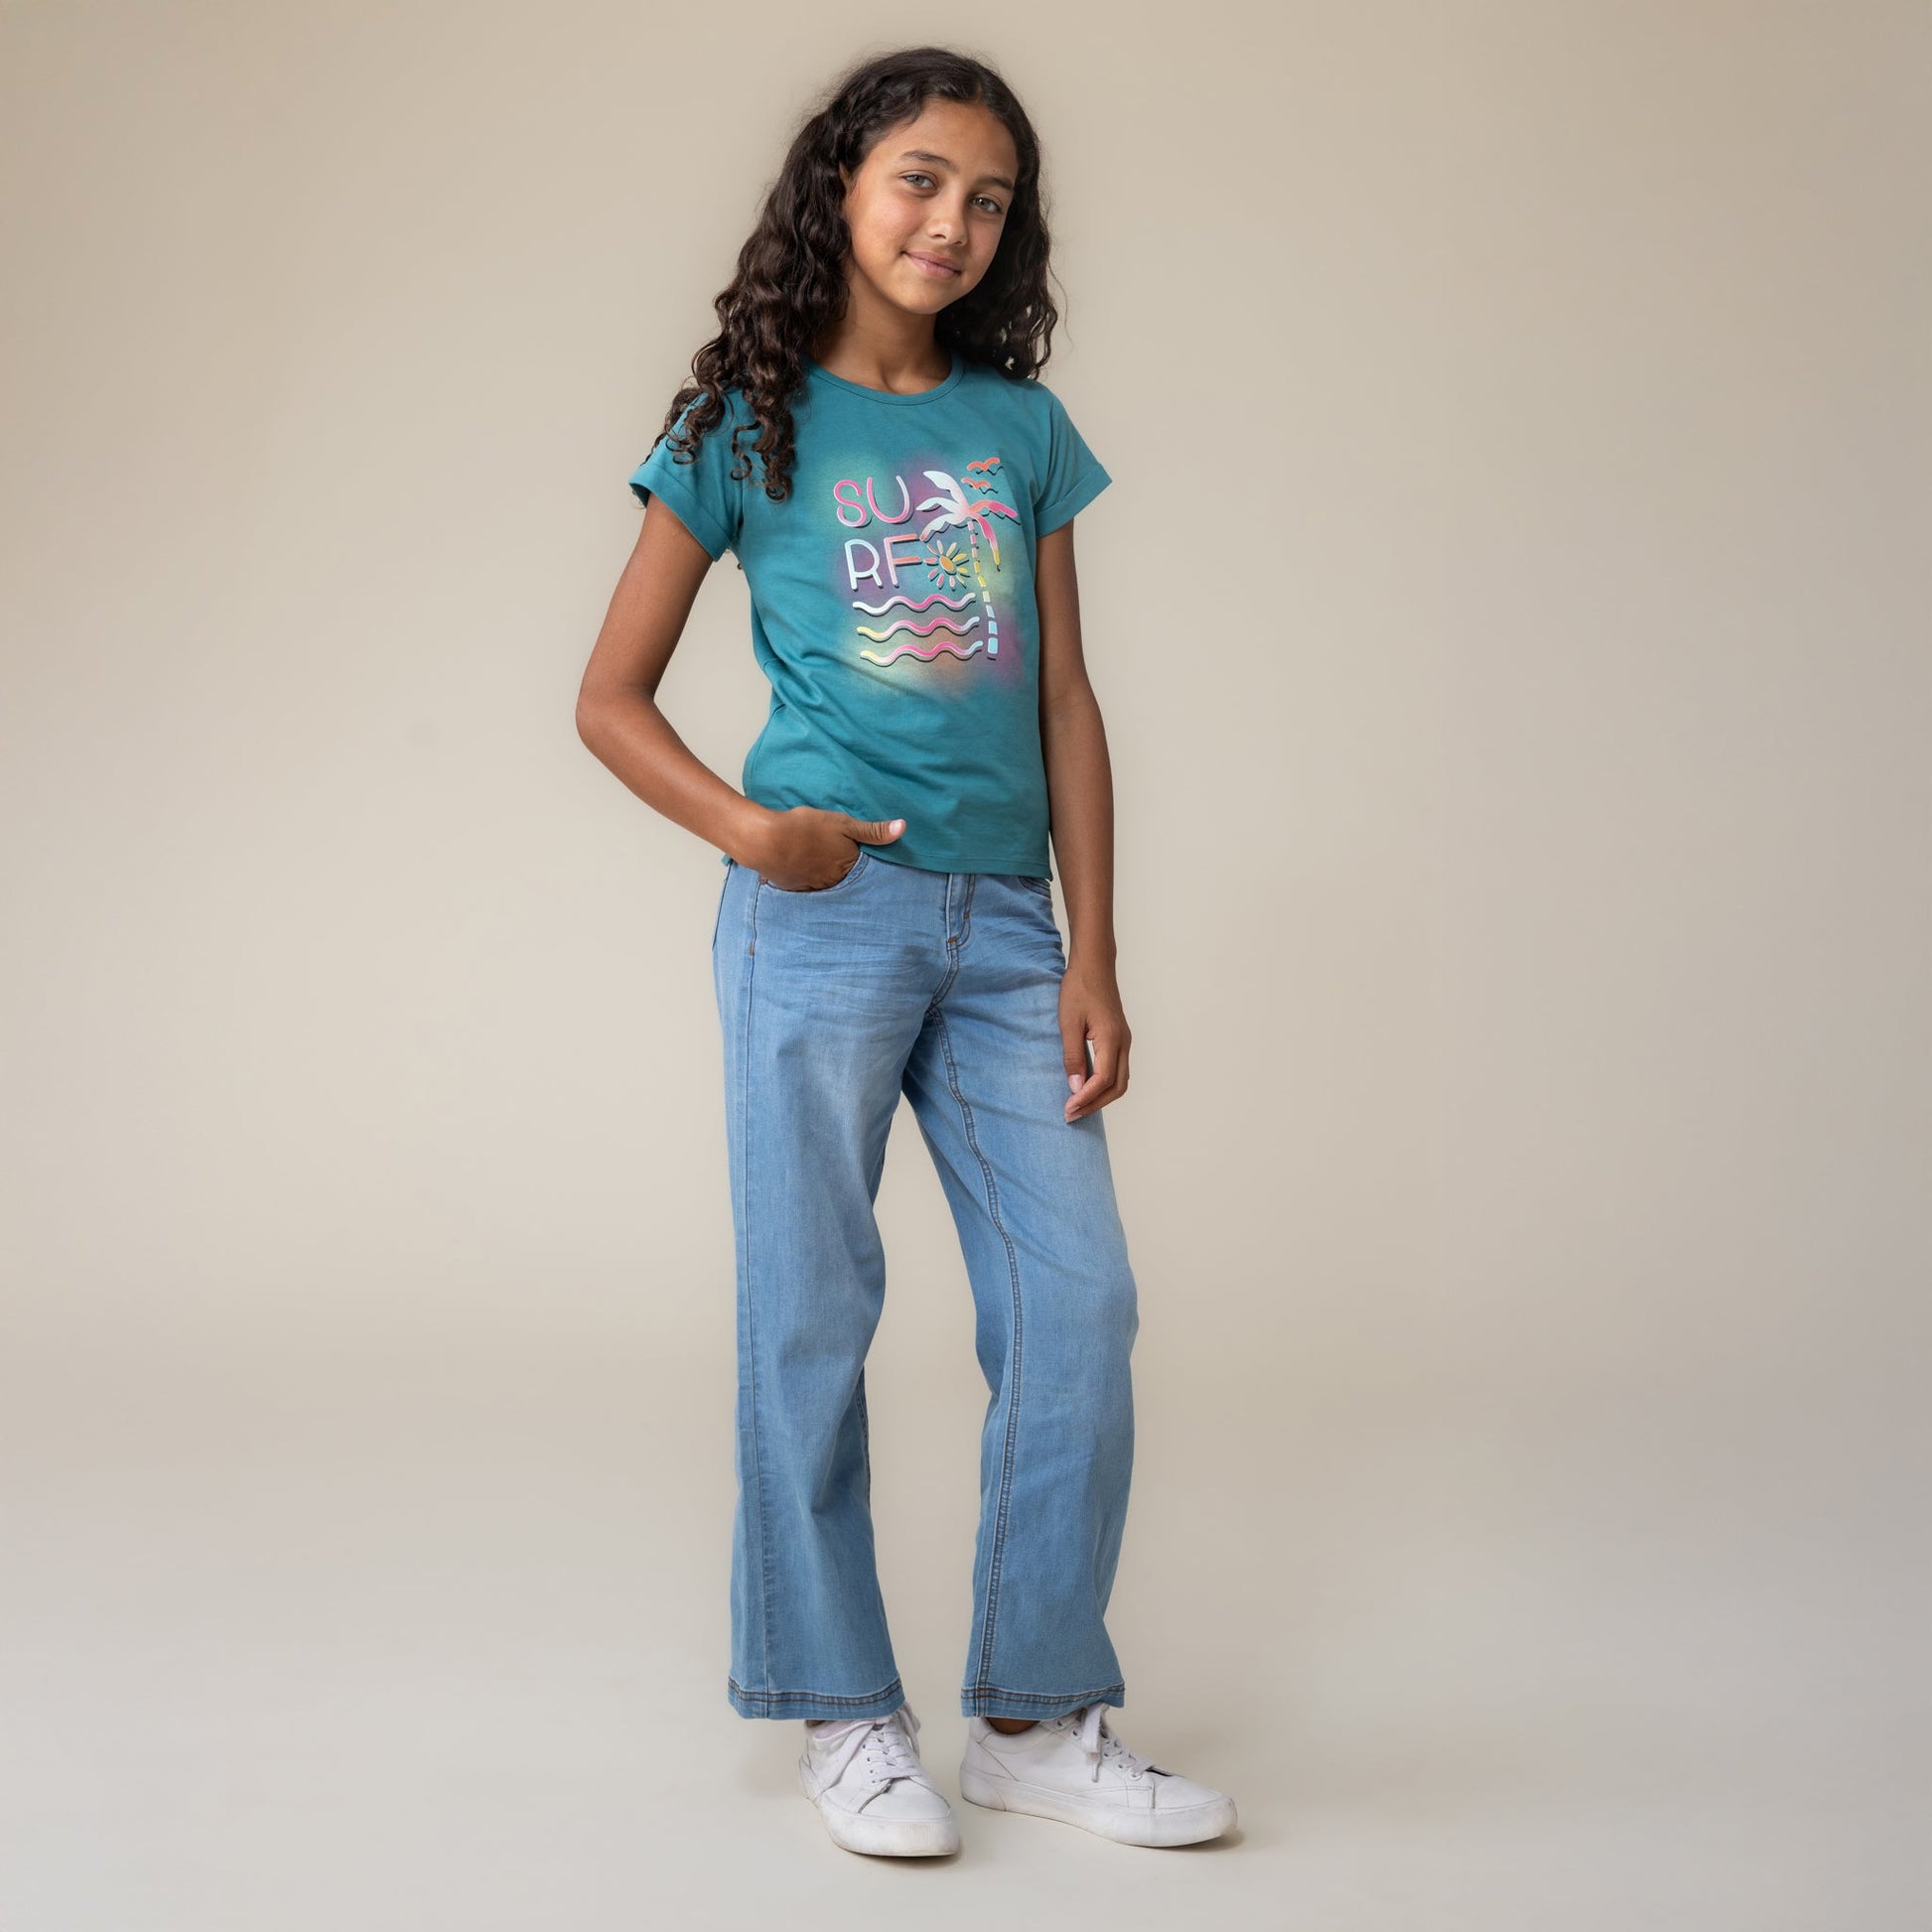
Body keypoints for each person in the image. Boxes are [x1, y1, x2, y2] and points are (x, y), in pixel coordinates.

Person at [575, 45, 1237, 1858]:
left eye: (990, 199)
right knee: (809, 1313)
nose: (954, 221)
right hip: (823, 914)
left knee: (1079, 1302)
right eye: (922, 181)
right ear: (841, 191)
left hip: (1008, 927)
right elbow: (607, 699)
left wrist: (1094, 950)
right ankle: (841, 1707)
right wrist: (751, 830)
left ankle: (1032, 1711)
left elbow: (1068, 702)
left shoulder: (1019, 430)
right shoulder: (744, 423)